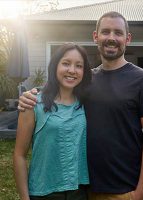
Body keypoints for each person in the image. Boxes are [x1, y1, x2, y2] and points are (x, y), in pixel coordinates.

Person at [18, 11, 143, 200]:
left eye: (118, 33)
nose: (111, 38)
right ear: (95, 36)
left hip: (124, 188)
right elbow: (58, 90)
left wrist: (141, 191)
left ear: (127, 38)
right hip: (85, 187)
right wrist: (30, 95)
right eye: (105, 32)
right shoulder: (85, 81)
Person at [14, 43, 92, 200]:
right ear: (55, 66)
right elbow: (19, 155)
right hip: (44, 192)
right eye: (66, 63)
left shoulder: (87, 104)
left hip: (79, 191)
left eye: (79, 66)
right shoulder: (33, 103)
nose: (72, 70)